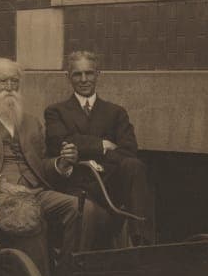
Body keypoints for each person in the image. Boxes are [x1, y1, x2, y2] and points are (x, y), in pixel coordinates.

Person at [0, 57, 103, 276]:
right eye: (3, 82)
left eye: (15, 82)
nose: (10, 88)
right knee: (29, 217)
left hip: (34, 192)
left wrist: (61, 163)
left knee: (83, 210)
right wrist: (1, 184)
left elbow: (40, 164)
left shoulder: (31, 122)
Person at [44, 50, 149, 244]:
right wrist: (102, 145)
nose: (84, 79)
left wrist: (92, 156)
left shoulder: (116, 112)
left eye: (89, 73)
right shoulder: (55, 111)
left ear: (98, 74)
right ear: (68, 77)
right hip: (77, 185)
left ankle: (140, 240)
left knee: (135, 166)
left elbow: (128, 150)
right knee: (86, 212)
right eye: (77, 74)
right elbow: (59, 141)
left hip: (110, 183)